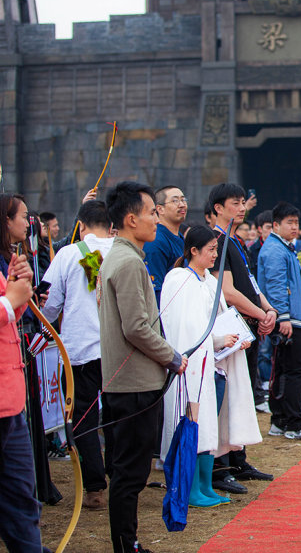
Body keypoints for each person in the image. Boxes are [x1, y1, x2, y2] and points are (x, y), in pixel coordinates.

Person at [98, 181, 187, 553]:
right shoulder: (129, 262)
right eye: (152, 212)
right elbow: (136, 327)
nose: (156, 219)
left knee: (126, 471)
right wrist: (172, 356)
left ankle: (126, 542)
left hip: (129, 383)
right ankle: (126, 544)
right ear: (131, 219)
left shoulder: (121, 257)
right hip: (133, 385)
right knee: (129, 474)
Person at [159, 226, 260, 508]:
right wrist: (217, 340)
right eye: (211, 250)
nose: (216, 255)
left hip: (213, 365)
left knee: (208, 426)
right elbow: (186, 328)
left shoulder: (207, 282)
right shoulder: (178, 279)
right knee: (192, 423)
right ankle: (189, 488)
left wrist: (234, 339)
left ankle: (204, 485)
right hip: (191, 367)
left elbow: (219, 318)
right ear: (193, 251)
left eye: (217, 249)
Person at [40, 200, 115, 511]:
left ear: (81, 226)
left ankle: (95, 487)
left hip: (80, 352)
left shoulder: (71, 254)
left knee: (82, 418)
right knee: (116, 416)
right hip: (117, 351)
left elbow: (50, 304)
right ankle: (121, 477)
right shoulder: (125, 250)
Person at [207, 183, 276, 493]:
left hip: (248, 328)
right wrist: (261, 315)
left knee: (244, 393)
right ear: (218, 208)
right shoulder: (216, 242)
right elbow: (228, 290)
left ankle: (238, 457)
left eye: (242, 202)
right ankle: (221, 466)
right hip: (232, 330)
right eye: (234, 203)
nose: (241, 207)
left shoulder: (235, 241)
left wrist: (267, 308)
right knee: (229, 396)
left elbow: (250, 283)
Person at [0, 192, 46, 552]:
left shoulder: (6, 260)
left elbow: (9, 322)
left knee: (20, 493)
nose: (30, 224)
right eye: (23, 216)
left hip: (10, 402)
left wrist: (19, 295)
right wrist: (10, 300)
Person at [257, 202, 301, 440]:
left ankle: (281, 420)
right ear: (275, 225)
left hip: (291, 319)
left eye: (296, 222)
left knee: (285, 371)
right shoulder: (276, 250)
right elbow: (275, 286)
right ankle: (294, 423)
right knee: (293, 372)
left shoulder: (283, 248)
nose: (295, 227)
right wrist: (283, 317)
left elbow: (283, 282)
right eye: (289, 223)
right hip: (289, 321)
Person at [143, 185, 188, 305]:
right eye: (175, 201)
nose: (182, 204)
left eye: (183, 200)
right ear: (160, 209)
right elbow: (156, 290)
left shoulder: (179, 237)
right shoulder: (156, 241)